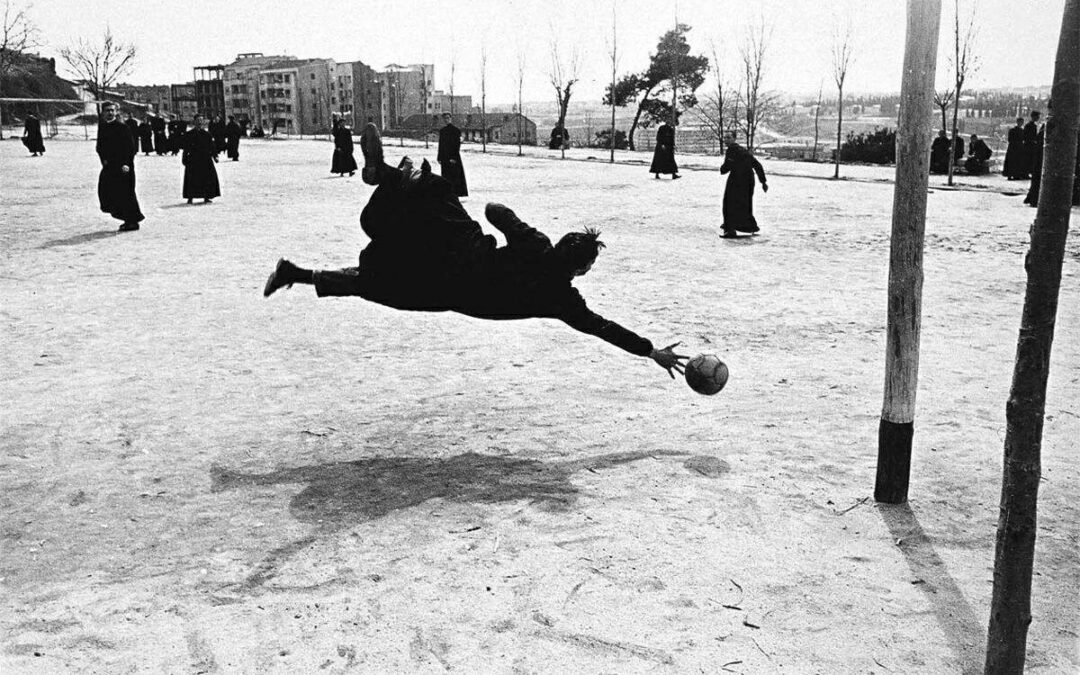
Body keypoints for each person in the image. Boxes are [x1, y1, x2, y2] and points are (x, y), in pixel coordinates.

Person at [263, 124, 689, 379]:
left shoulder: (537, 245)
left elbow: (494, 209)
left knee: (437, 196)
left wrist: (514, 225)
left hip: (462, 250)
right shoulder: (564, 300)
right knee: (376, 282)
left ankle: (303, 263)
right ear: (581, 270)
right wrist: (650, 351)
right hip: (451, 292)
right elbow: (603, 327)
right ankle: (391, 181)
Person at [96, 101, 144, 232]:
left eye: (112, 110)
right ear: (103, 113)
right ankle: (127, 219)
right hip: (110, 167)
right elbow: (100, 147)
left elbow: (130, 148)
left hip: (123, 167)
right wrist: (104, 161)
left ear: (116, 112)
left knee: (125, 193)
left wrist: (126, 164)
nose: (110, 113)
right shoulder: (103, 127)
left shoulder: (122, 127)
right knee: (108, 191)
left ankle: (132, 221)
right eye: (107, 110)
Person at [719, 135, 768, 238]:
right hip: (749, 179)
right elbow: (757, 165)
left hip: (737, 179)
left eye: (728, 138)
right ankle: (749, 226)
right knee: (745, 203)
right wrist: (763, 182)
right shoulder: (743, 150)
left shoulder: (731, 150)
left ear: (733, 139)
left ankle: (730, 229)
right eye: (725, 138)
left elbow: (727, 167)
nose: (725, 140)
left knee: (729, 202)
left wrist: (722, 169)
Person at [182, 114, 221, 204]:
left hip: (205, 159)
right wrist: (184, 158)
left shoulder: (207, 134)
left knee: (207, 178)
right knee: (192, 179)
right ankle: (190, 197)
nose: (200, 122)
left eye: (201, 120)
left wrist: (215, 156)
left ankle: (207, 196)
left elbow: (212, 147)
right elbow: (186, 148)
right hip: (193, 159)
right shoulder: (189, 134)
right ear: (194, 122)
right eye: (198, 120)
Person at [437, 112, 468, 197]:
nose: (446, 120)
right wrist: (439, 157)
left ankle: (455, 194)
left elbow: (457, 145)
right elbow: (441, 145)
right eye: (445, 118)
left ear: (451, 119)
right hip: (444, 157)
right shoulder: (442, 131)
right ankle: (447, 193)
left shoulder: (456, 131)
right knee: (446, 176)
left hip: (453, 157)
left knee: (455, 176)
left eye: (448, 118)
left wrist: (454, 157)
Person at [1023, 123, 1044, 207]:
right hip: (1041, 163)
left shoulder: (1041, 135)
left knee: (1036, 182)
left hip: (1038, 163)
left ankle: (1033, 199)